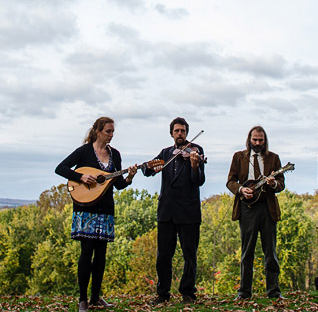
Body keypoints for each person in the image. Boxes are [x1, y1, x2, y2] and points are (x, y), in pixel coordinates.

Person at [55, 117, 138, 311]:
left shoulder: (115, 155)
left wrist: (130, 177)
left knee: (101, 255)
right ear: (98, 131)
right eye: (108, 131)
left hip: (106, 209)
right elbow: (60, 168)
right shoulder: (84, 152)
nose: (111, 135)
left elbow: (117, 185)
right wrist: (81, 176)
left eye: (112, 132)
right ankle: (82, 299)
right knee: (87, 252)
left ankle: (95, 297)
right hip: (86, 210)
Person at [144, 117, 205, 305]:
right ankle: (162, 293)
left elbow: (199, 180)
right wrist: (150, 167)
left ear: (187, 133)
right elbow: (148, 171)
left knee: (189, 255)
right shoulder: (165, 153)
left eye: (183, 131)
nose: (180, 134)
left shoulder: (196, 151)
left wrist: (195, 165)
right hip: (167, 212)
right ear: (171, 133)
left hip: (189, 212)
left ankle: (188, 293)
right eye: (177, 131)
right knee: (163, 255)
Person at [226, 125, 285, 300]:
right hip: (247, 209)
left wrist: (273, 183)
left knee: (270, 251)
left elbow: (281, 184)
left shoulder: (274, 158)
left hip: (267, 208)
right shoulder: (238, 157)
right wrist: (241, 189)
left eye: (261, 140)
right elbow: (230, 181)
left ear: (265, 140)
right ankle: (244, 292)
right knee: (247, 251)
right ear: (249, 139)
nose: (258, 143)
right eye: (255, 140)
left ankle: (274, 291)